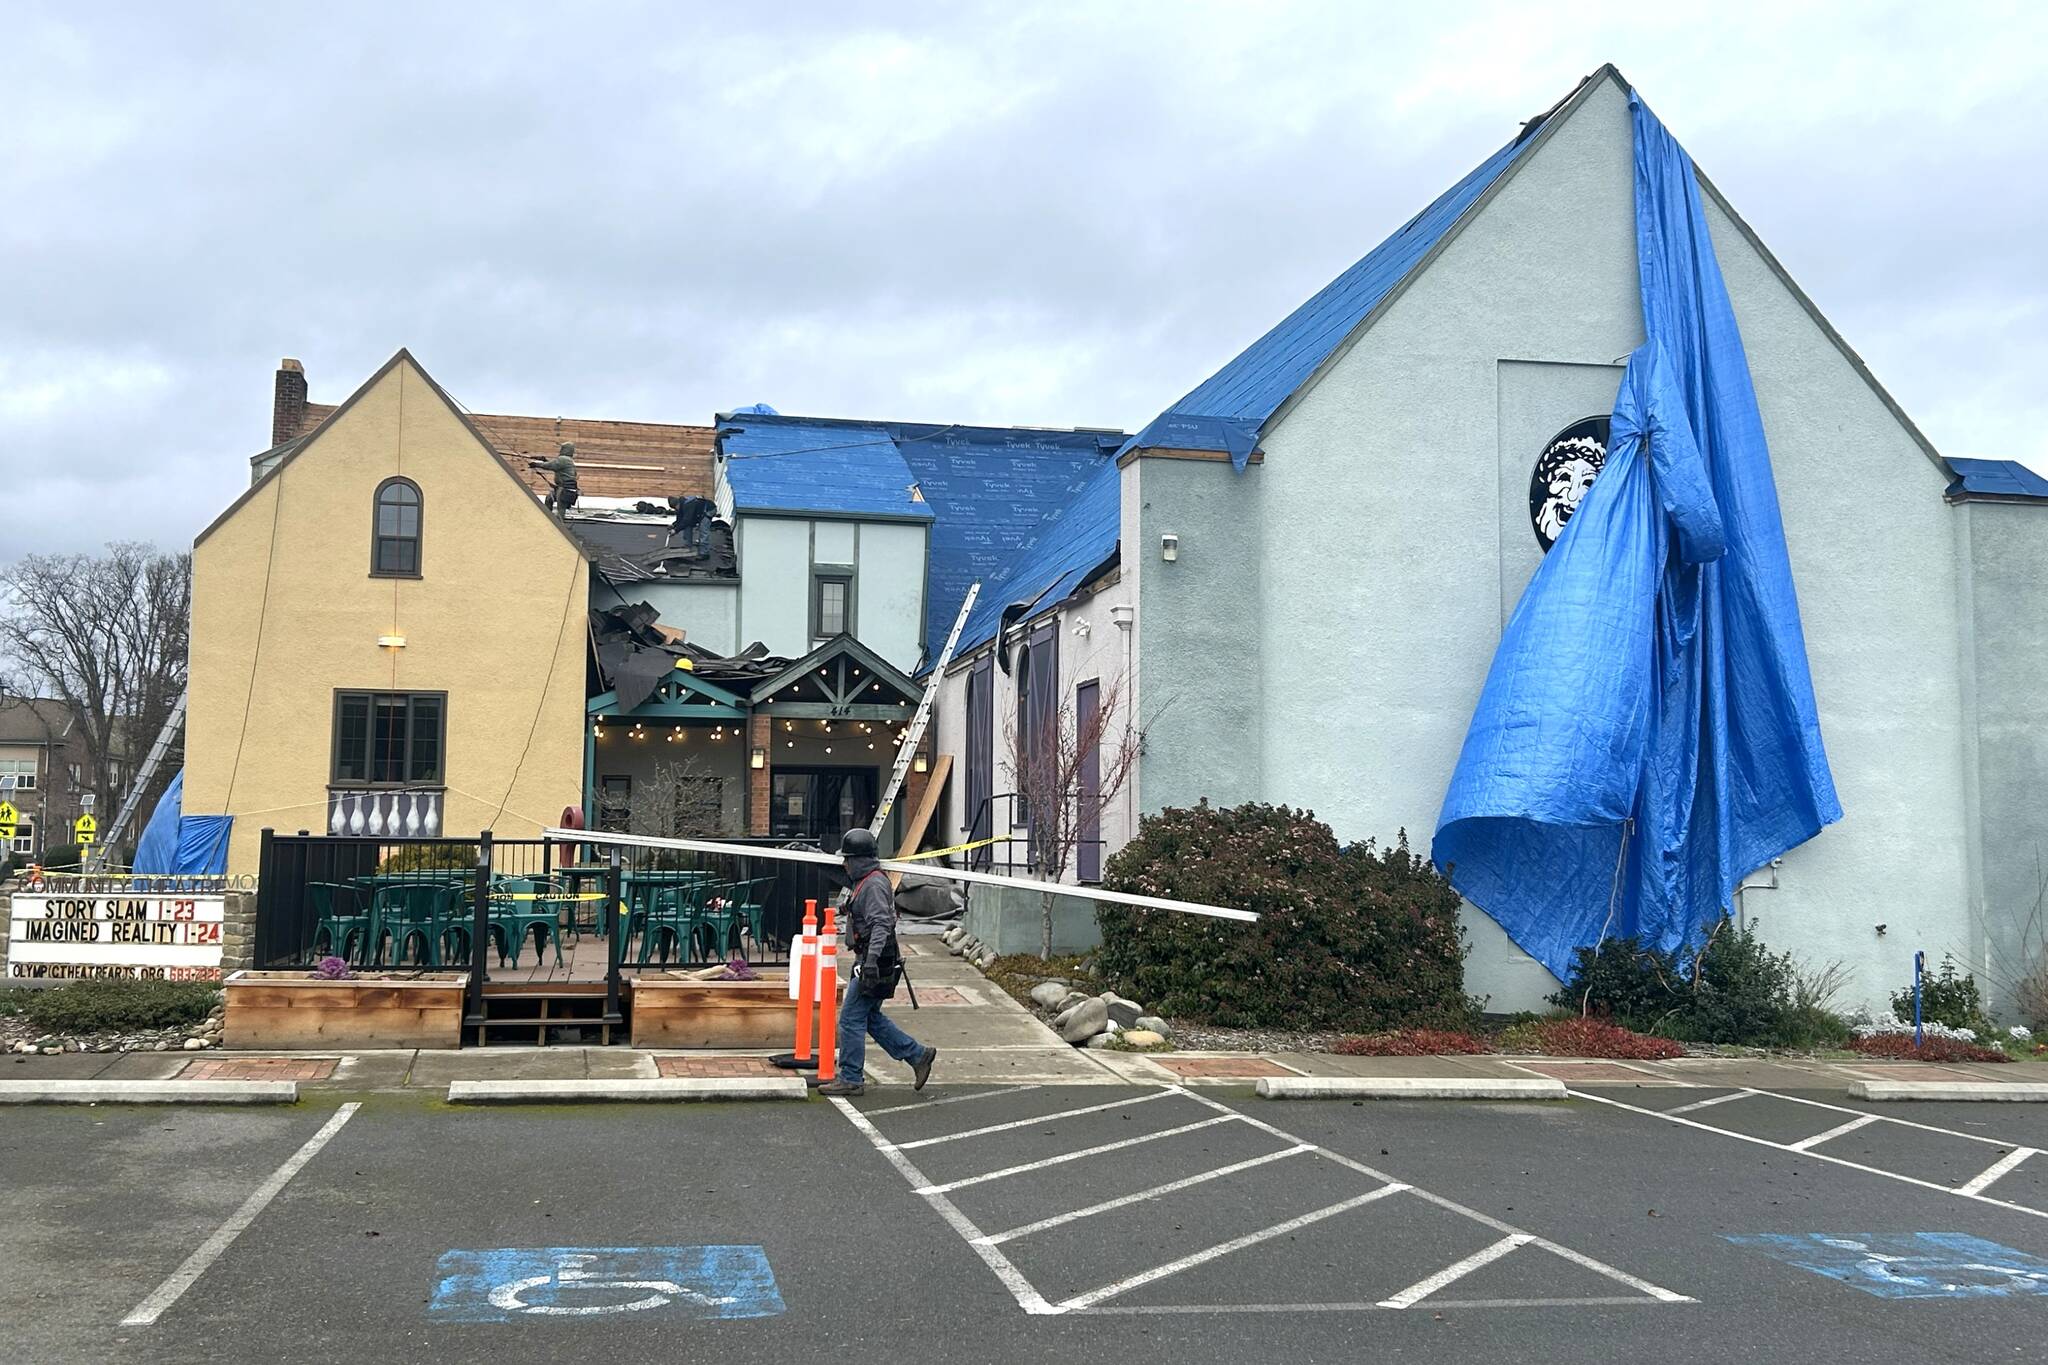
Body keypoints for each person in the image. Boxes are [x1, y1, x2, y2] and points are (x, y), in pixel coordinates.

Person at [818, 828, 936, 1097]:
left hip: (876, 961)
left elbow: (882, 924)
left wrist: (870, 962)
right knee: (869, 1017)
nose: (844, 864)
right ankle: (917, 1055)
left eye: (847, 859)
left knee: (850, 1019)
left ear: (858, 860)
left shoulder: (872, 885)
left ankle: (850, 1078)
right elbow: (838, 874)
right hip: (875, 959)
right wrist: (811, 855)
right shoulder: (864, 879)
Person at [529, 441, 580, 513]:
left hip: (564, 488)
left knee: (561, 510)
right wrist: (544, 460)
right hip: (565, 488)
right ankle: (548, 515)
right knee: (549, 498)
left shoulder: (563, 459)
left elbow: (550, 465)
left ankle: (558, 520)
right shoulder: (568, 460)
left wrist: (537, 464)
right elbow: (556, 466)